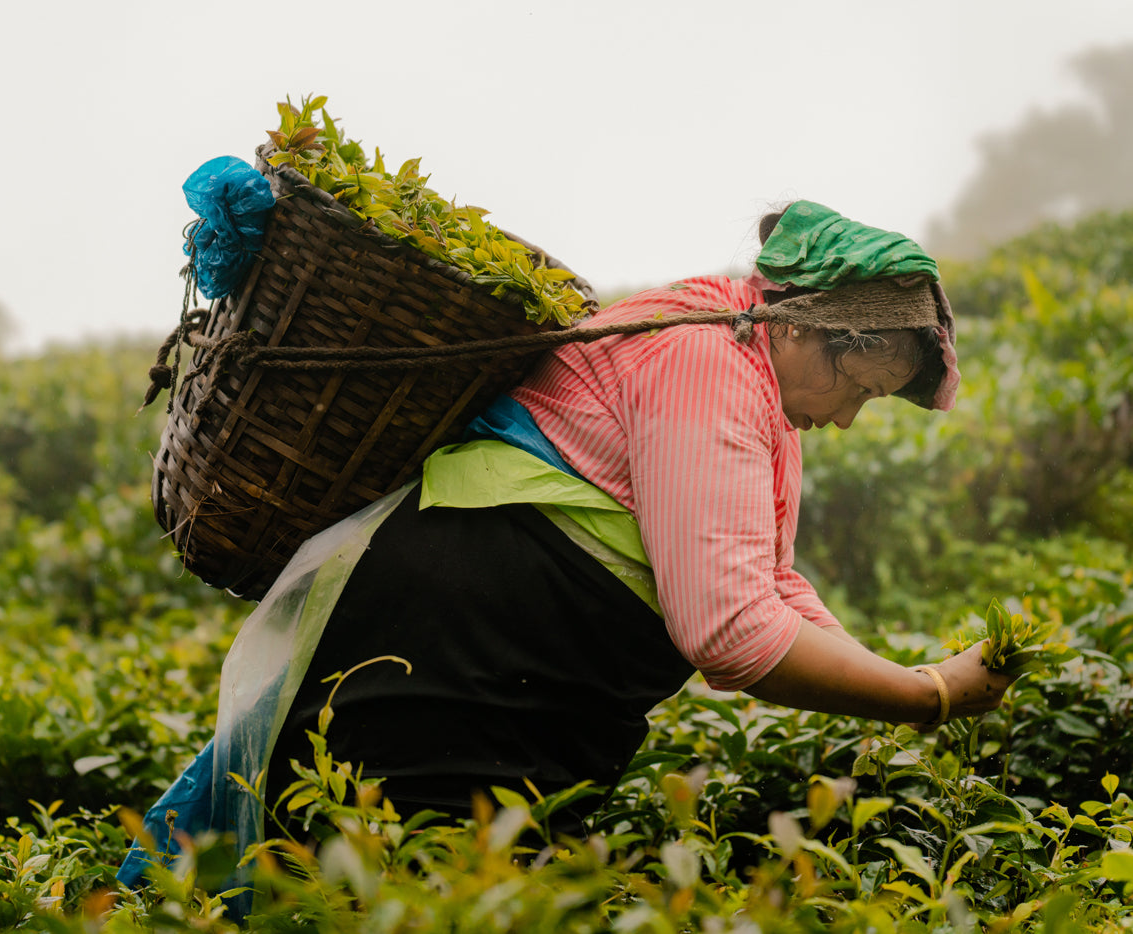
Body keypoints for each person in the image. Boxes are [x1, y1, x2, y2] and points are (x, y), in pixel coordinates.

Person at [120, 200, 1015, 895]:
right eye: (853, 383)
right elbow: (732, 633)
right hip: (448, 655)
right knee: (388, 886)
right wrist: (924, 699)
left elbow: (768, 582)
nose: (850, 418)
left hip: (503, 674)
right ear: (799, 325)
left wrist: (895, 672)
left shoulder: (744, 371)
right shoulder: (704, 360)